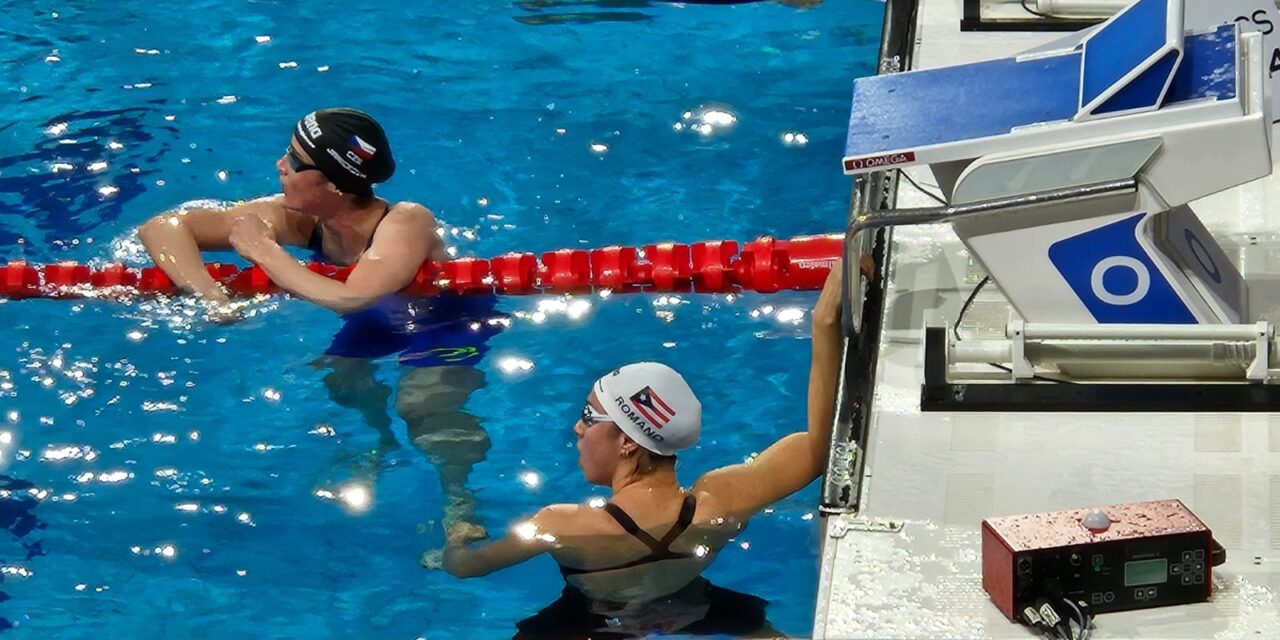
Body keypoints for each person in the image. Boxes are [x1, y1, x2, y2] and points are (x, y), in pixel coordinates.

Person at [138, 107, 501, 540]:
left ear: (331, 183)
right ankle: (381, 445)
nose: (280, 165)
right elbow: (163, 227)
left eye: (293, 162)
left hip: (447, 319)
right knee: (342, 381)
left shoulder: (407, 221)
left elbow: (351, 296)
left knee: (422, 404)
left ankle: (459, 503)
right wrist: (213, 298)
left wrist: (264, 252)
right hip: (378, 319)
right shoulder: (299, 217)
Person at [440, 259, 845, 639]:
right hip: (690, 601)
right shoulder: (723, 502)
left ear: (629, 442)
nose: (576, 427)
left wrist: (456, 535)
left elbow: (465, 568)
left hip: (592, 616)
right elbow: (821, 446)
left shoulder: (564, 526)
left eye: (588, 415)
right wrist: (824, 324)